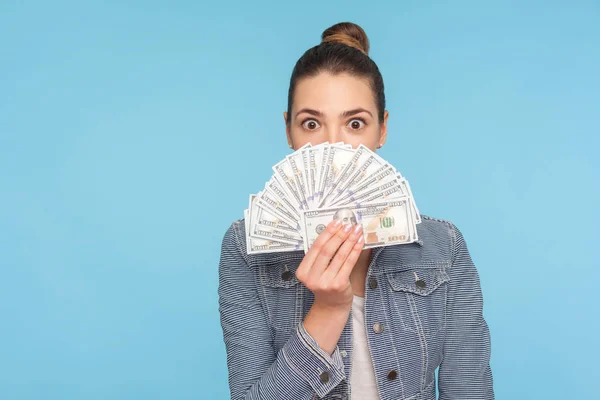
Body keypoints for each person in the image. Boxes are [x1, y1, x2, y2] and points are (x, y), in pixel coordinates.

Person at [218, 22, 494, 400]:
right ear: (288, 131)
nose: (333, 147)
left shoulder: (444, 248)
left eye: (355, 123)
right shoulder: (245, 247)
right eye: (311, 123)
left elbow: (470, 390)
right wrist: (329, 310)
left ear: (382, 130)